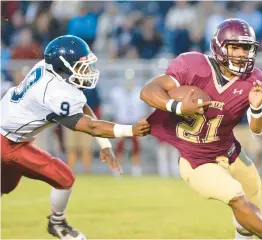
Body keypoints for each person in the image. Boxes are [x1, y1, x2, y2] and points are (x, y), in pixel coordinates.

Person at [141, 19, 262, 239]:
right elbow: (149, 90)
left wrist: (256, 108)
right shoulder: (193, 66)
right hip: (196, 159)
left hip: (230, 152)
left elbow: (260, 131)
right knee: (236, 197)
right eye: (235, 47)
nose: (242, 54)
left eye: (246, 48)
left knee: (251, 194)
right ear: (219, 47)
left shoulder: (256, 81)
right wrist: (176, 106)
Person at [1, 35, 150, 239]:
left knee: (5, 187)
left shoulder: (48, 68)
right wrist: (130, 130)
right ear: (63, 67)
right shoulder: (54, 92)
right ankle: (58, 224)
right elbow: (91, 126)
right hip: (8, 143)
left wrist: (104, 145)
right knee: (64, 177)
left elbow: (82, 108)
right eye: (81, 66)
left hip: (11, 135)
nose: (87, 72)